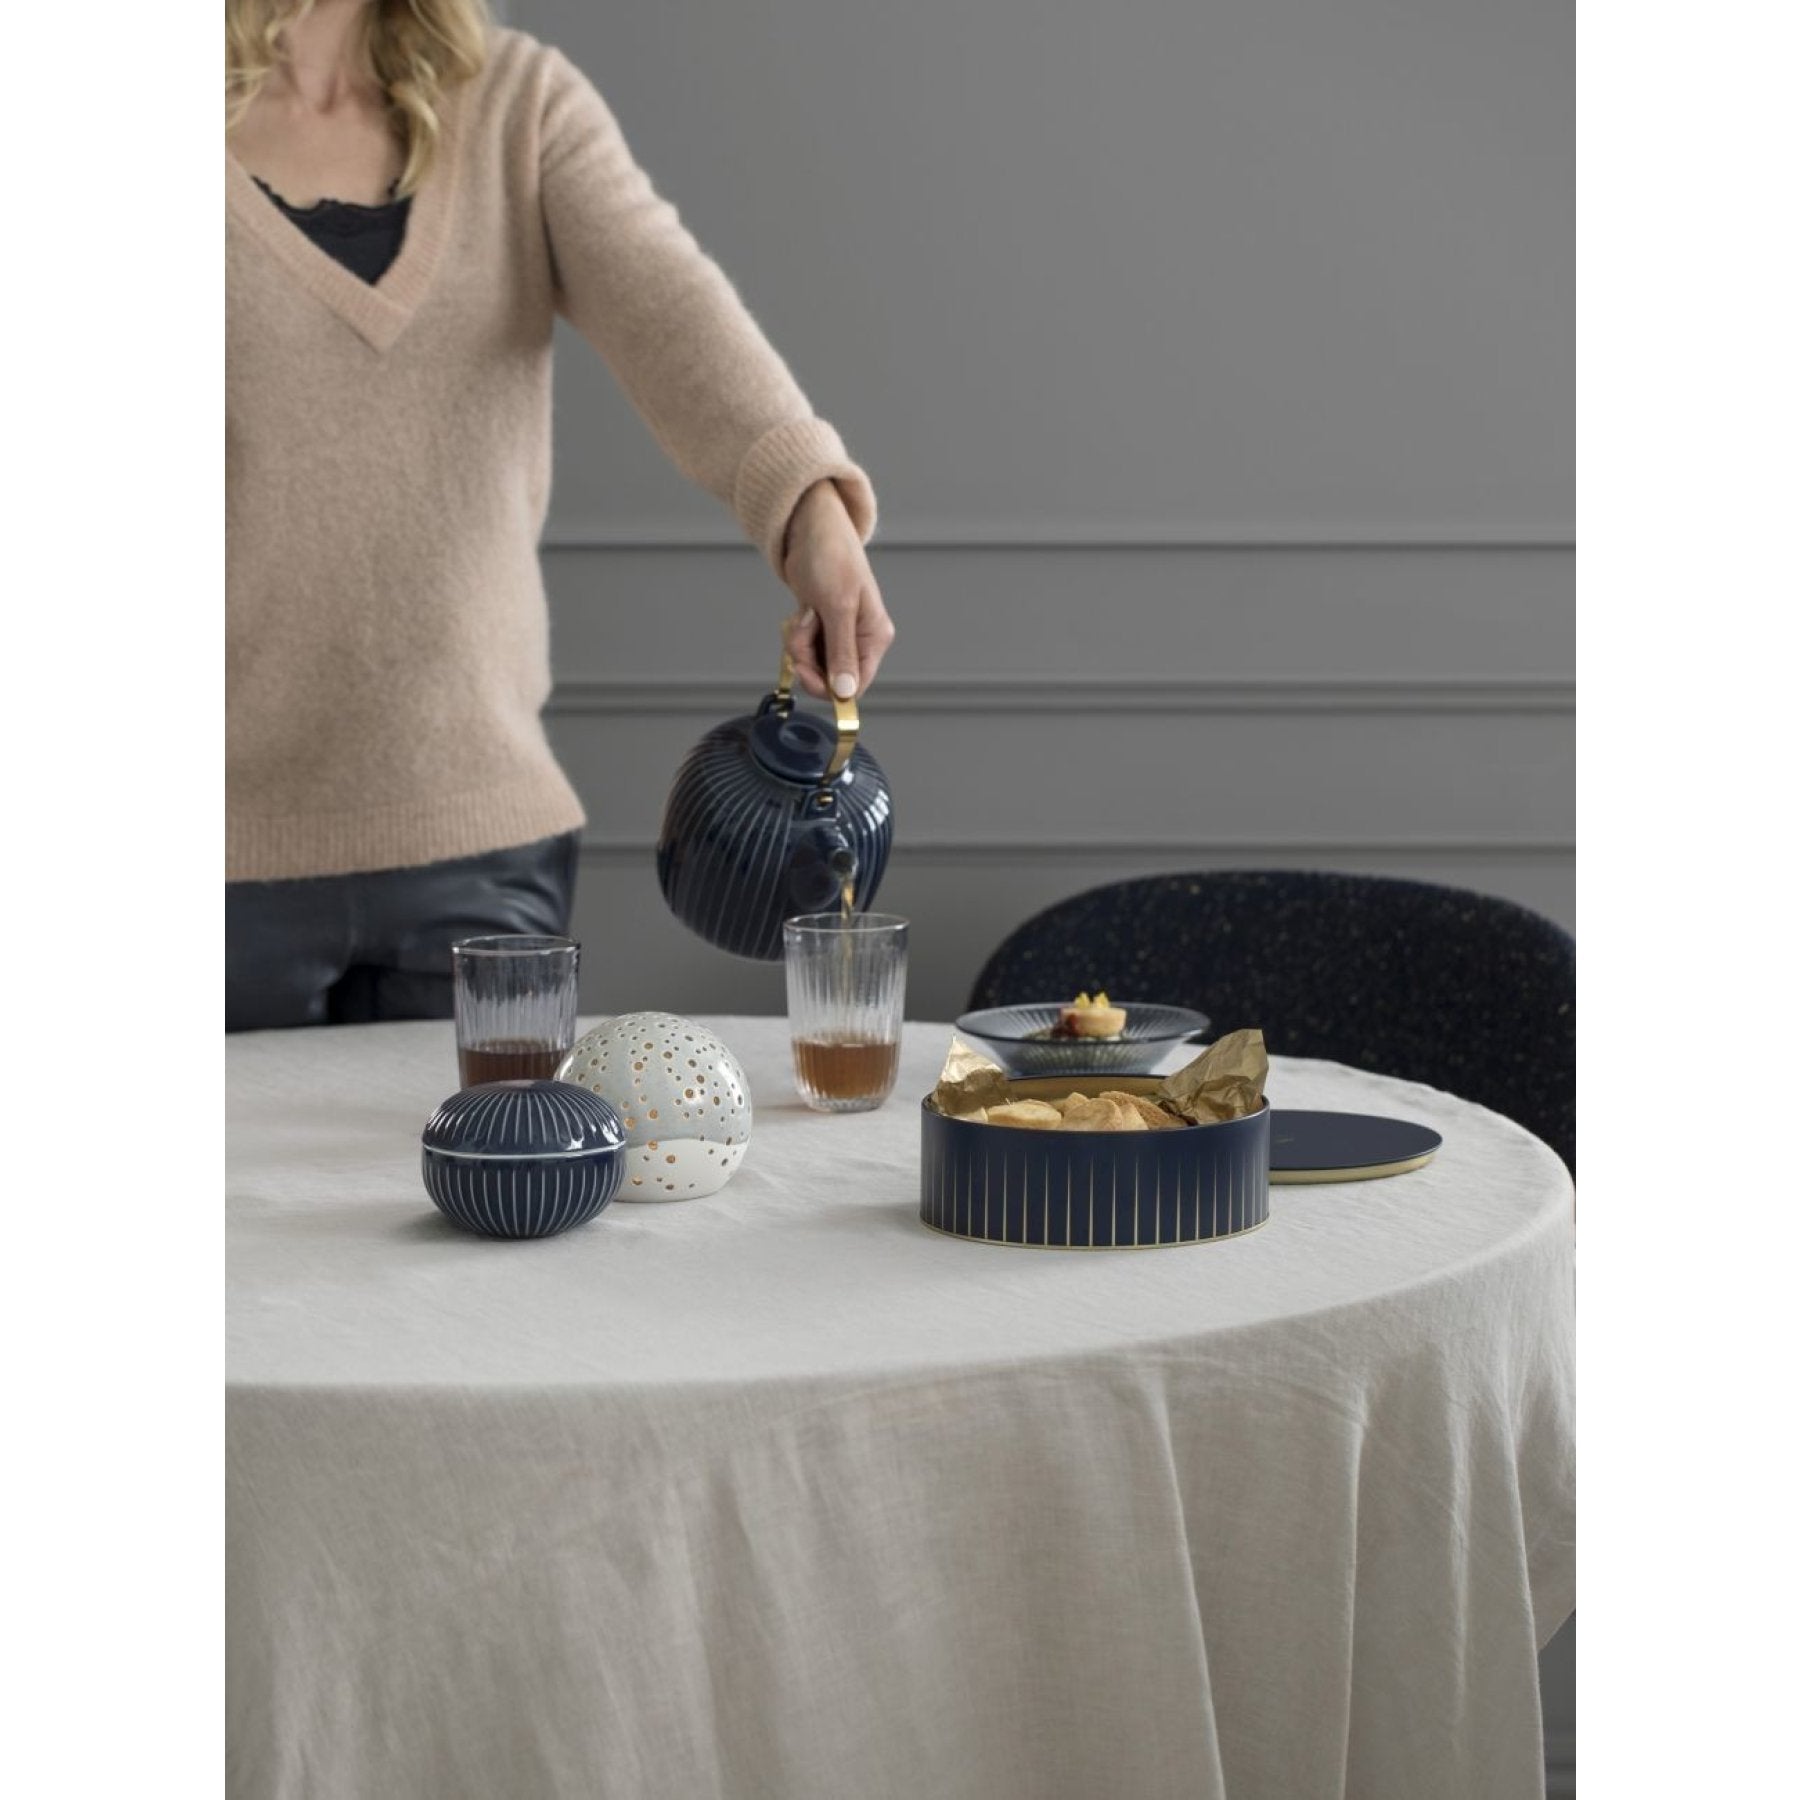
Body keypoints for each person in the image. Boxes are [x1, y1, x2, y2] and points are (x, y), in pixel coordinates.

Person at [226, 0, 892, 1030]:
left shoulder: (517, 103)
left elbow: (675, 317)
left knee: (490, 1149)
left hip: (479, 850)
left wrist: (812, 512)